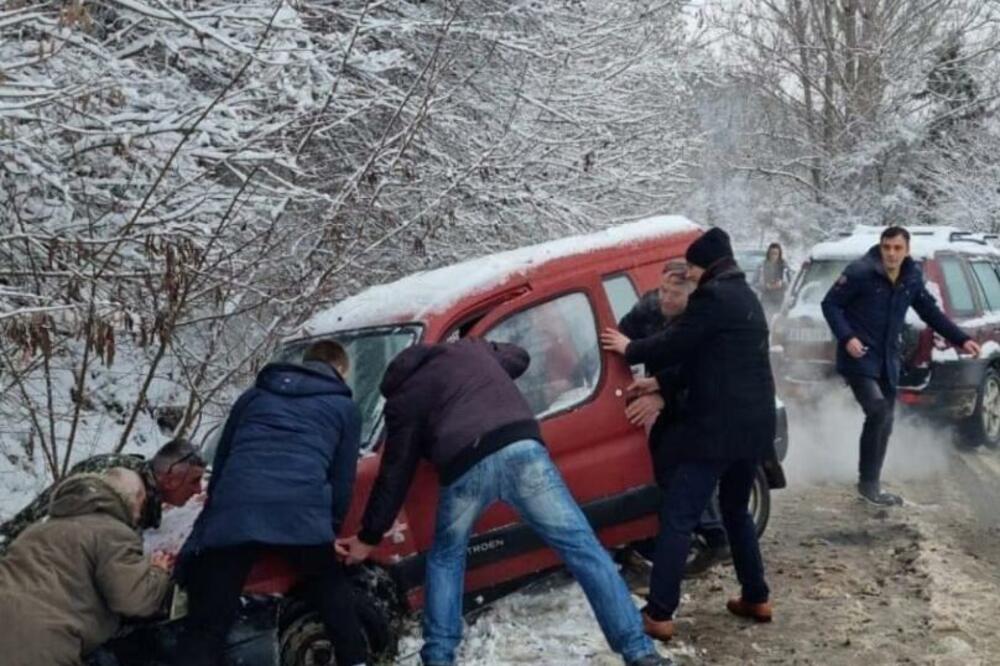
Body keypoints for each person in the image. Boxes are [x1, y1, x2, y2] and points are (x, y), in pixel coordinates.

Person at [337, 338, 668, 666]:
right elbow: (519, 356)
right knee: (582, 548)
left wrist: (369, 537)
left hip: (465, 469)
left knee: (446, 560)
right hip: (522, 450)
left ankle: (438, 657)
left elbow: (395, 472)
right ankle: (639, 653)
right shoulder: (467, 350)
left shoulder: (403, 400)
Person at [602, 227, 775, 642]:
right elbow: (709, 359)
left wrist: (630, 350)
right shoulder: (744, 296)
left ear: (706, 265)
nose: (690, 276)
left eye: (694, 268)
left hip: (717, 429)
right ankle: (757, 596)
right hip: (754, 427)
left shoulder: (712, 299)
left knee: (679, 515)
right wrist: (660, 383)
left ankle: (659, 613)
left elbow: (676, 343)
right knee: (735, 510)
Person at [172, 340, 367, 666]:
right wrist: (328, 530)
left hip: (237, 509)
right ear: (341, 371)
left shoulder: (253, 397)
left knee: (208, 619)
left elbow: (222, 462)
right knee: (331, 592)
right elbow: (342, 478)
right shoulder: (344, 408)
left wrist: (219, 512)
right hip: (300, 510)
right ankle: (355, 659)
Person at [821, 226, 979, 506]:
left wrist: (962, 339)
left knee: (886, 421)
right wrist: (847, 337)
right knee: (878, 410)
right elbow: (830, 304)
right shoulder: (860, 272)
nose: (891, 254)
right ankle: (868, 486)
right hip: (858, 357)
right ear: (880, 247)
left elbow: (930, 312)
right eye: (886, 247)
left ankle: (871, 484)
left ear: (907, 250)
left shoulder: (911, 277)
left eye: (897, 248)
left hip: (887, 359)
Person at [618, 260, 730, 573]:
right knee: (662, 465)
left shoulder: (698, 322)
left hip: (700, 407)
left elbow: (699, 373)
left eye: (674, 294)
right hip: (668, 402)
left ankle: (714, 537)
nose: (665, 298)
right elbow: (619, 337)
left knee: (687, 467)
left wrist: (662, 394)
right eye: (663, 290)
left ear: (692, 296)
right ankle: (671, 535)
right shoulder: (651, 306)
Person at [0, 468, 173, 666]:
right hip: (41, 646)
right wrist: (158, 572)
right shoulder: (114, 532)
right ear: (135, 499)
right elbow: (135, 599)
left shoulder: (38, 528)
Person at [0, 437, 206, 555]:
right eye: (194, 481)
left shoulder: (139, 484)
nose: (198, 490)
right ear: (169, 479)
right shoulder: (118, 490)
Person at [753, 242, 791, 318]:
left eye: (776, 253)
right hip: (766, 299)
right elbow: (754, 283)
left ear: (779, 254)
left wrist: (782, 284)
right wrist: (766, 286)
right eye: (772, 253)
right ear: (768, 253)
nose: (774, 256)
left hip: (780, 300)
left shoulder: (784, 266)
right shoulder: (761, 266)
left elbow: (792, 283)